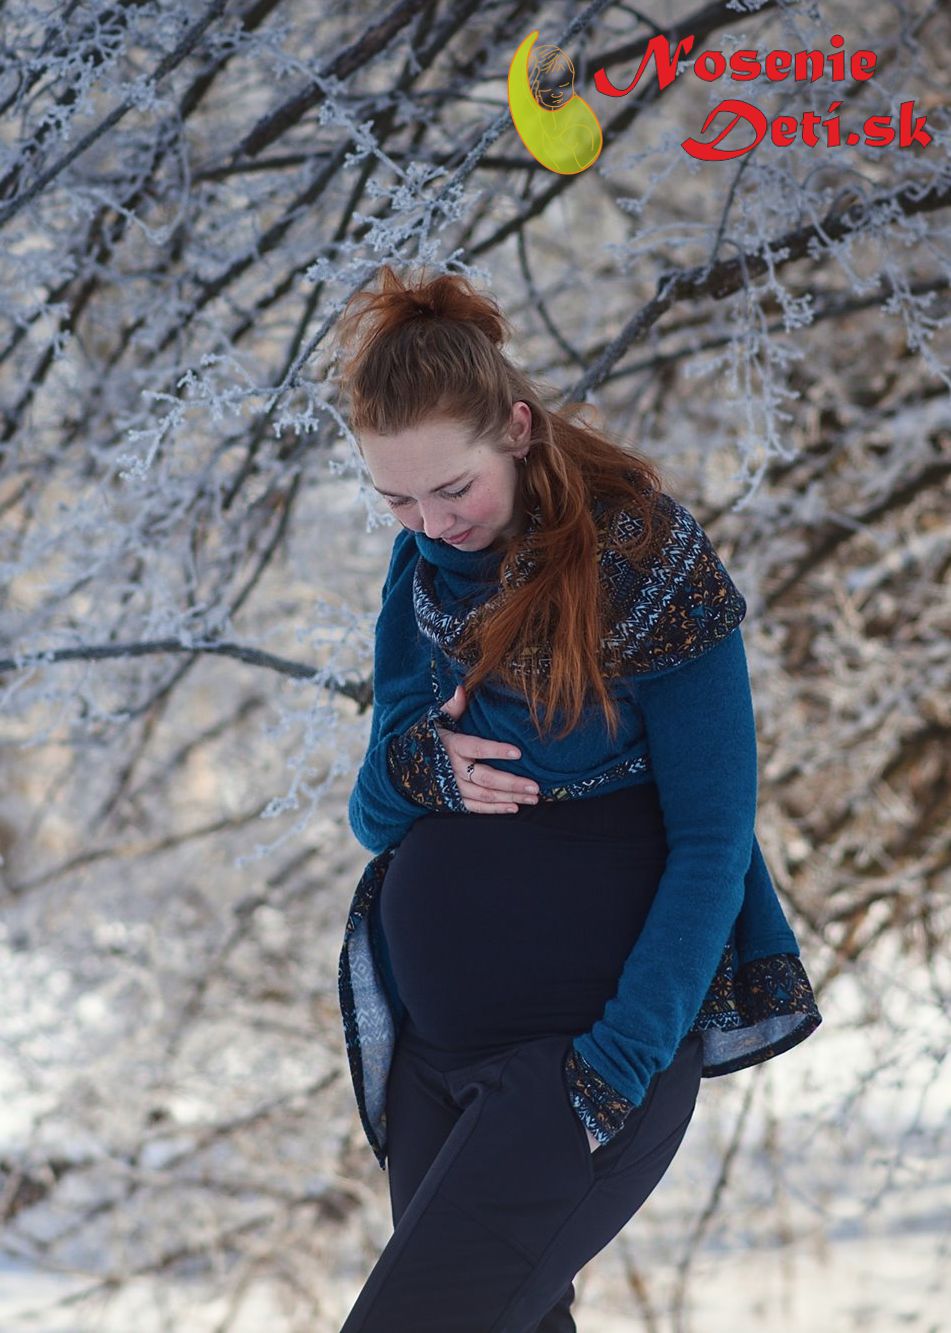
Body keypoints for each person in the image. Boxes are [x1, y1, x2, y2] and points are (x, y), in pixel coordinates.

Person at [333, 264, 821, 1332]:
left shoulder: (648, 563)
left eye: (450, 489)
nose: (428, 522)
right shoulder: (417, 575)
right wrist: (423, 769)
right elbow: (375, 813)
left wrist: (614, 1069)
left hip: (584, 1062)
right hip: (434, 1063)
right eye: (398, 499)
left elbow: (711, 840)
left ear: (514, 426)